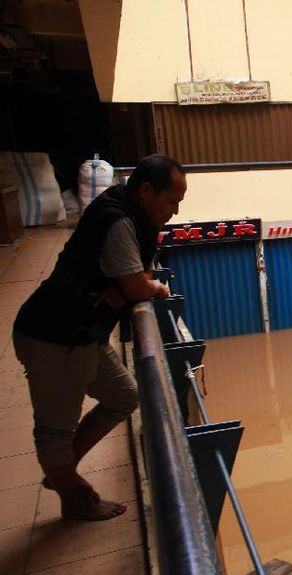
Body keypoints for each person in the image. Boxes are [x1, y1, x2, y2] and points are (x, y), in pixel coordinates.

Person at [12, 154, 187, 521]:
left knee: (124, 396)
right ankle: (74, 498)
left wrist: (129, 288)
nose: (174, 210)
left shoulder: (129, 213)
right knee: (54, 429)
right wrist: (150, 289)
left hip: (84, 335)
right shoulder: (119, 220)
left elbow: (133, 279)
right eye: (172, 200)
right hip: (56, 338)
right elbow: (140, 282)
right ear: (144, 191)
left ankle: (62, 473)